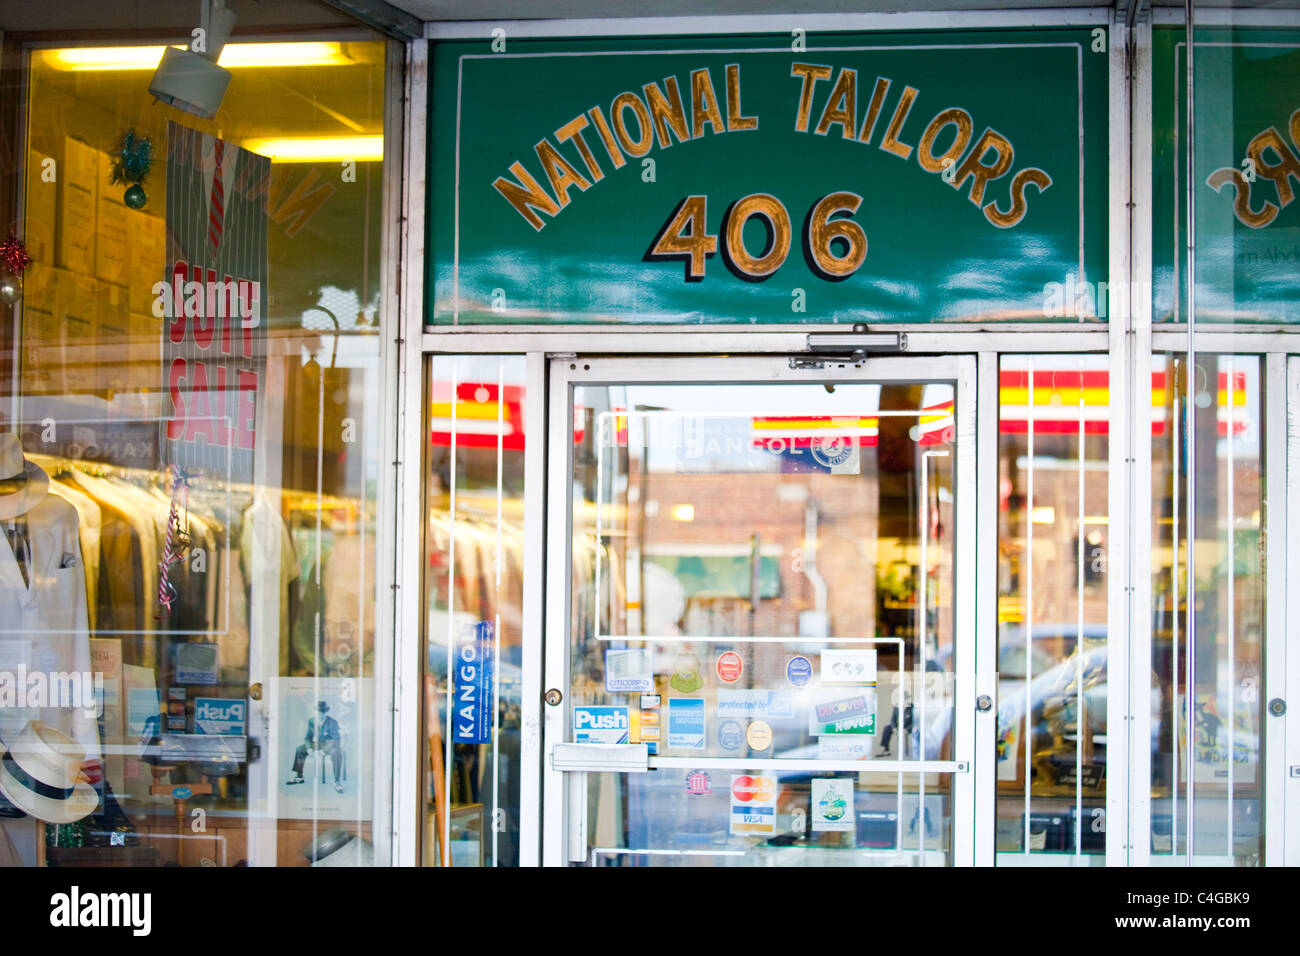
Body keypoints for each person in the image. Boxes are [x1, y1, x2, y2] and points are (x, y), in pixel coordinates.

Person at [286, 701, 344, 793]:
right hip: (316, 744)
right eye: (319, 712)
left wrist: (324, 751)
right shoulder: (311, 721)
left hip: (329, 745)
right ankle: (299, 777)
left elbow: (335, 740)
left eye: (323, 712)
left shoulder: (332, 722)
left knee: (337, 753)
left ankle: (337, 782)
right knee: (300, 748)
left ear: (326, 712)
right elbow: (307, 737)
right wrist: (309, 747)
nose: (321, 714)